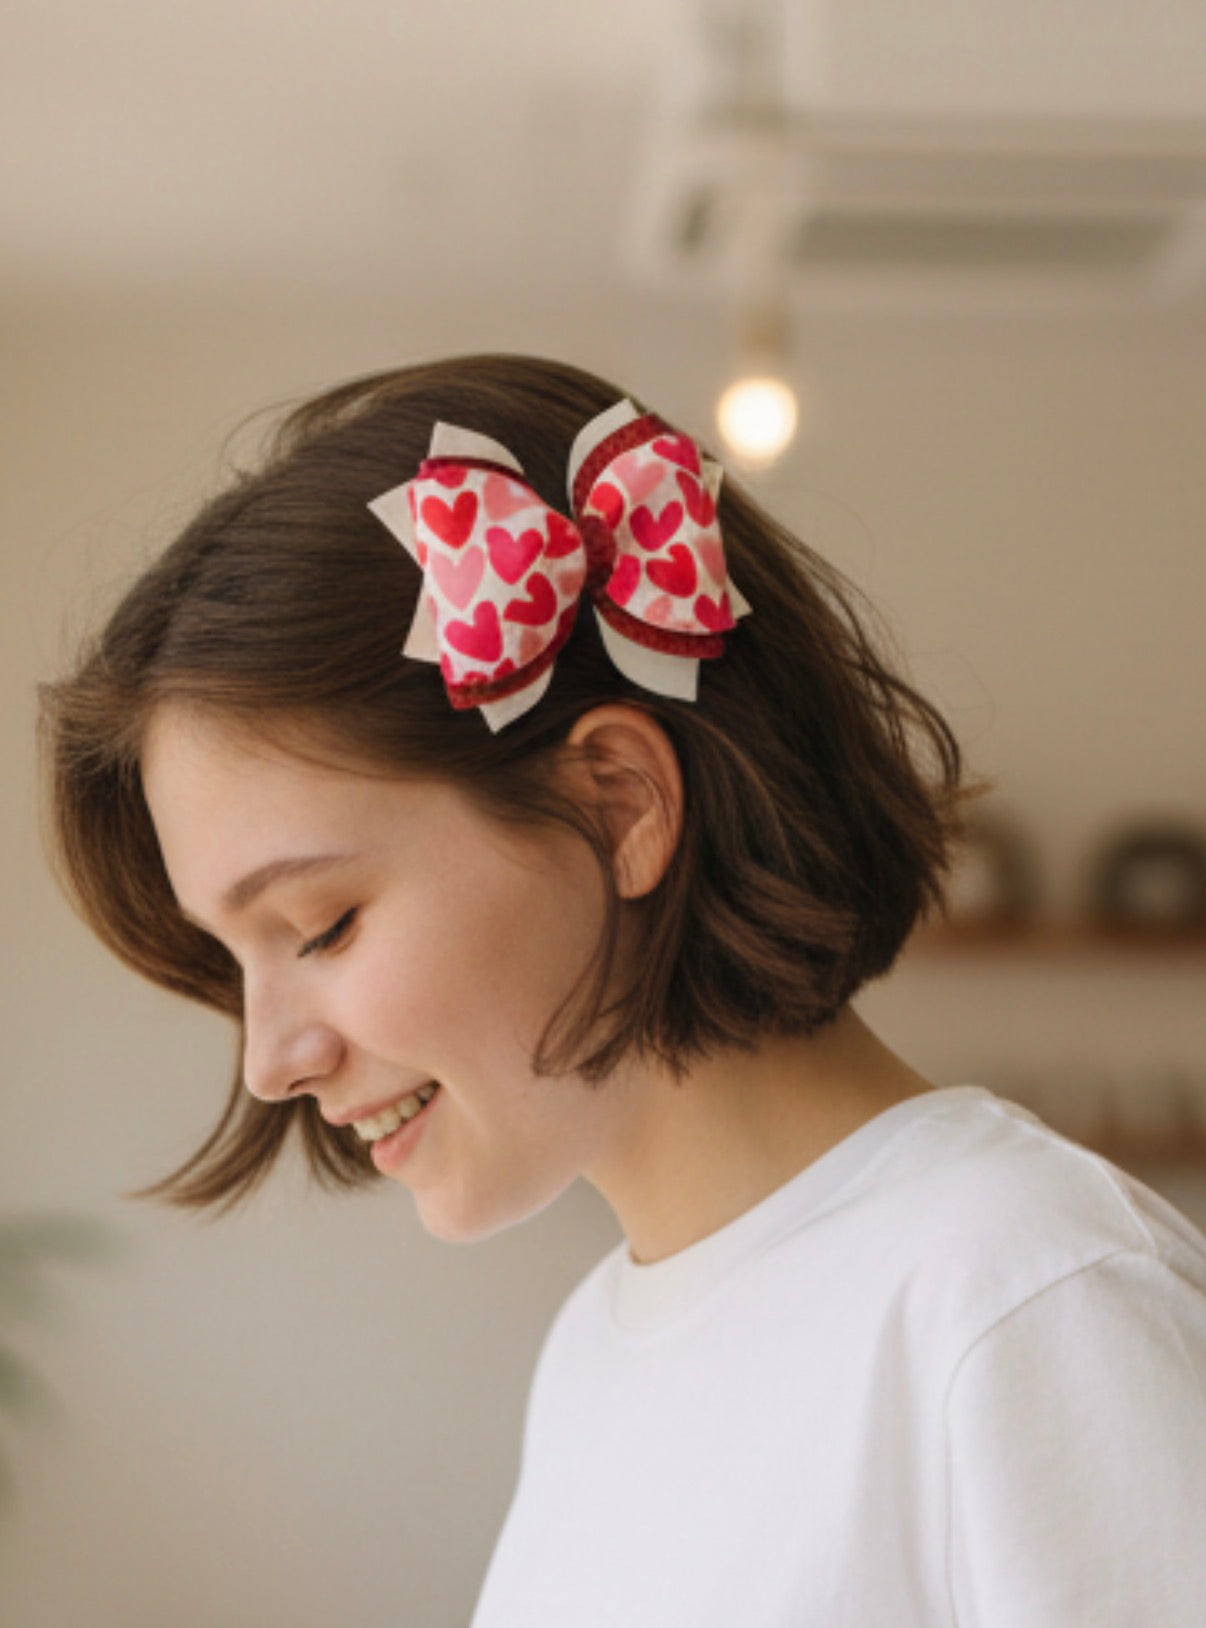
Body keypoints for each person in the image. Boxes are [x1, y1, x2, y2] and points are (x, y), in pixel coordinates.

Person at [40, 354, 1206, 1625]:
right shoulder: (600, 1348)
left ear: (620, 803)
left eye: (319, 924)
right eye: (231, 957)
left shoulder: (1025, 1298)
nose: (270, 1060)